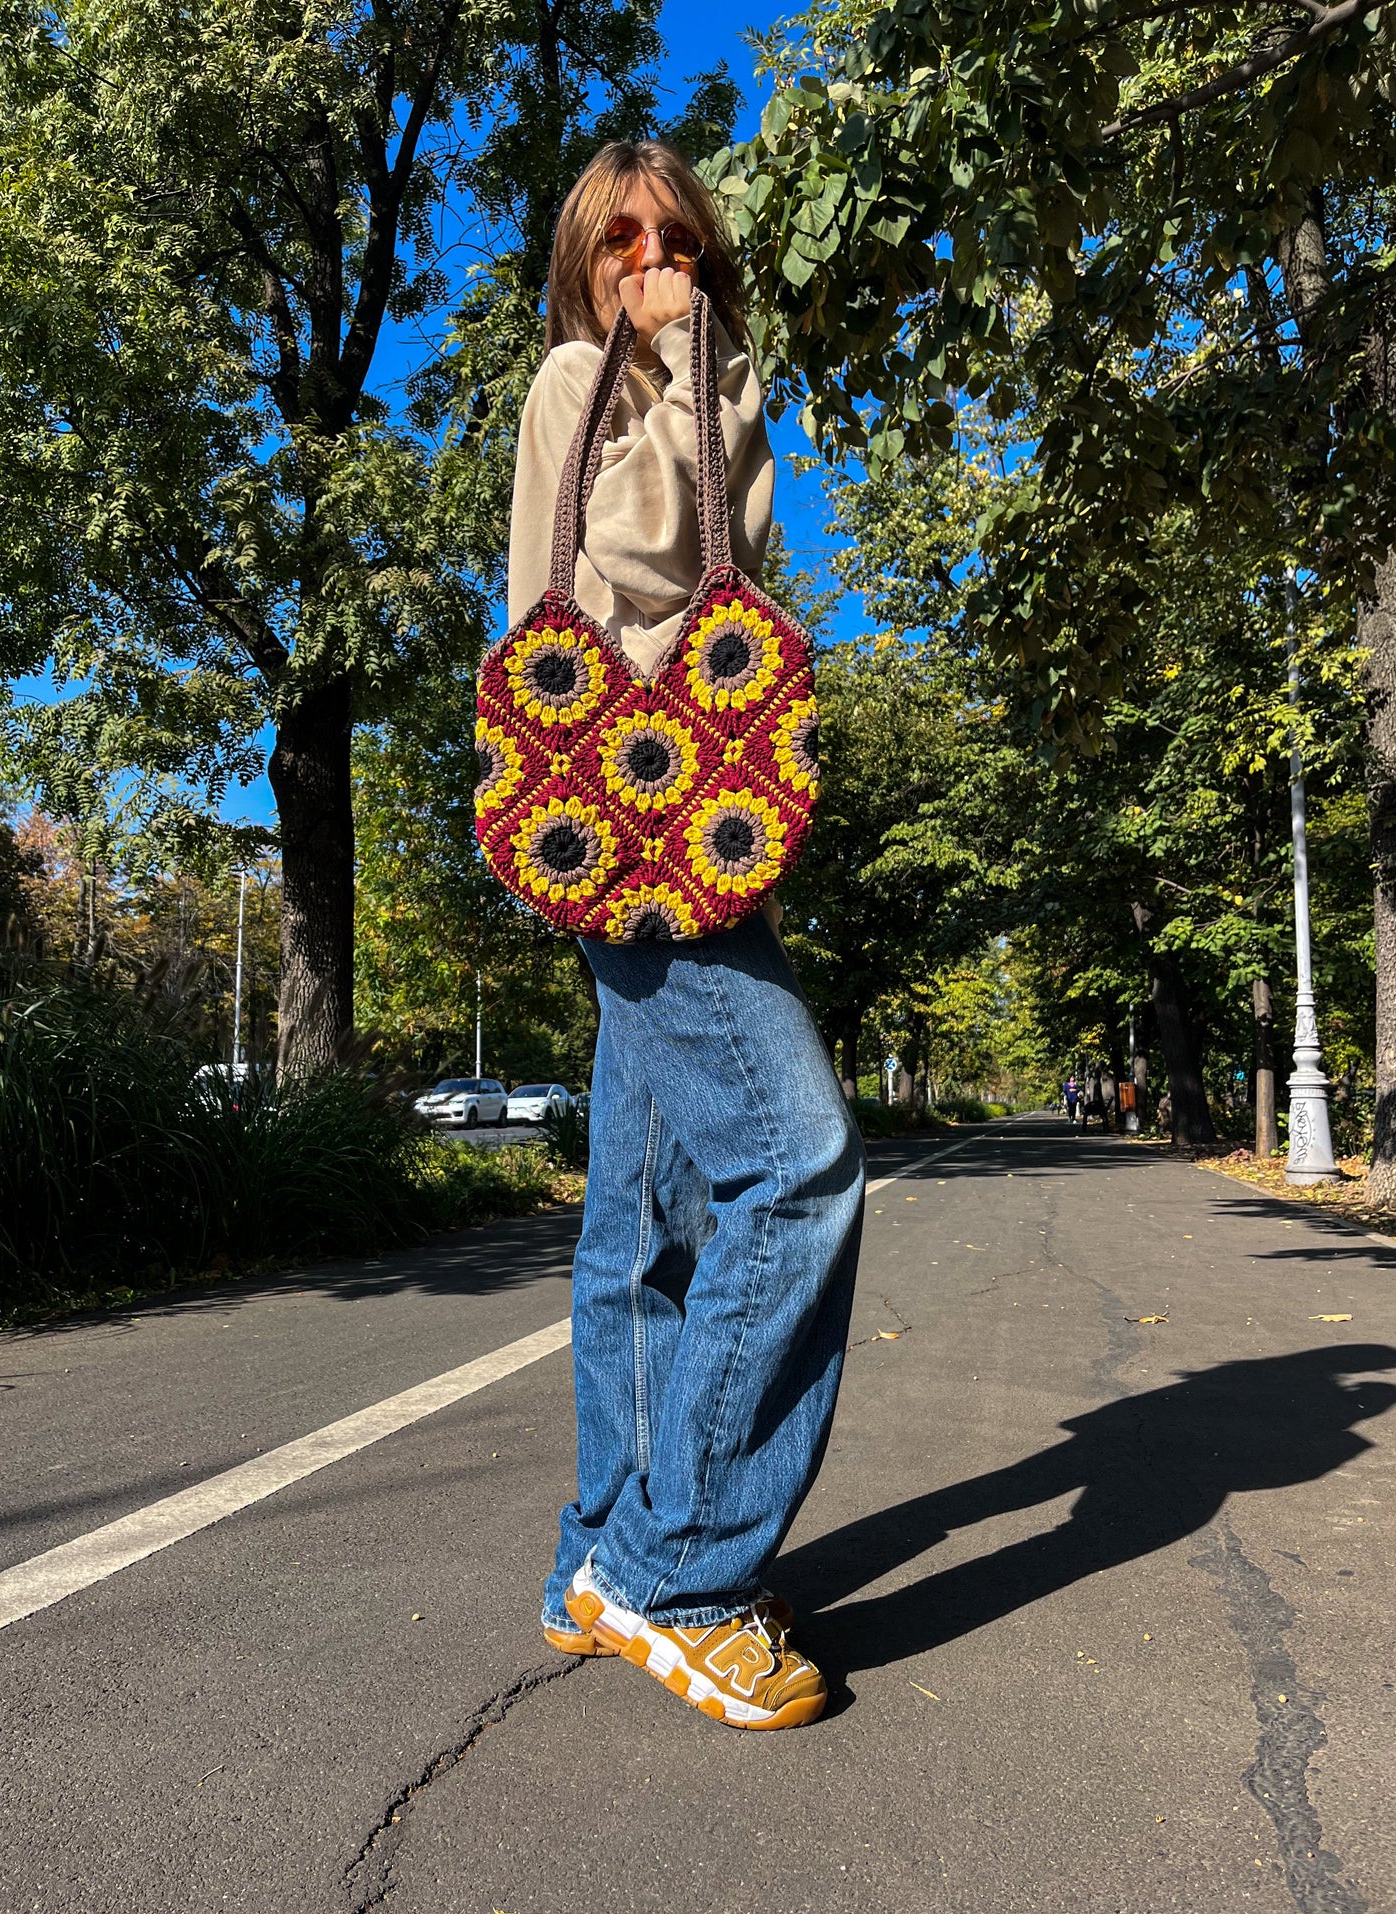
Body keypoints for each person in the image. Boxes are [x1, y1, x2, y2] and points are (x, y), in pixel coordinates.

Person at [508, 140, 866, 1731]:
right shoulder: (582, 381)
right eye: (616, 241)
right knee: (796, 1173)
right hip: (620, 836)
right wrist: (679, 357)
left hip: (701, 839)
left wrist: (707, 374)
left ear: (708, 255)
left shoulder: (710, 394)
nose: (647, 261)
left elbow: (741, 596)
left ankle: (604, 1556)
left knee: (639, 1225)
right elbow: (642, 567)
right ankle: (684, 1574)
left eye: (674, 243)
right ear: (585, 266)